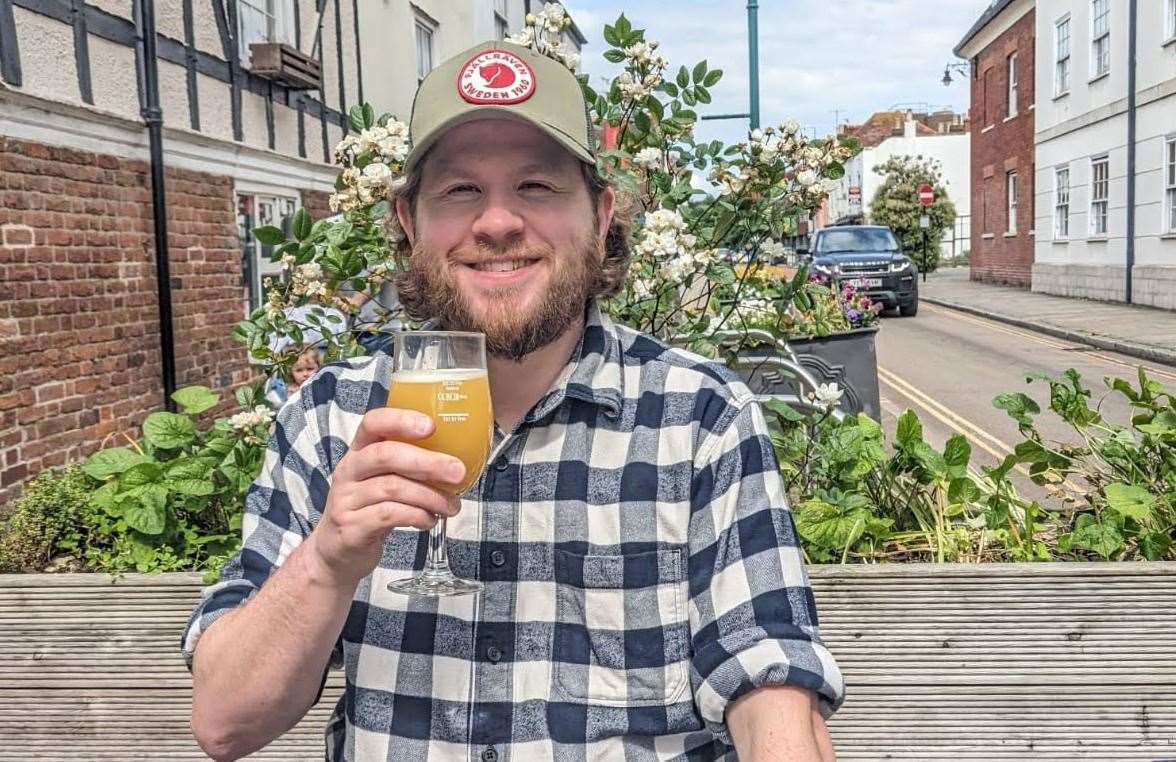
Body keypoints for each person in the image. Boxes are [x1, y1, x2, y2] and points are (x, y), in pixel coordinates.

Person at [182, 39, 843, 762]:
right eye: (461, 190)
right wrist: (328, 563)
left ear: (600, 213)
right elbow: (225, 723)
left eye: (536, 186)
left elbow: (768, 678)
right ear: (410, 223)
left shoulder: (701, 417)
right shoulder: (331, 418)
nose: (497, 223)